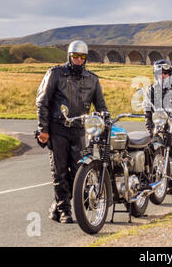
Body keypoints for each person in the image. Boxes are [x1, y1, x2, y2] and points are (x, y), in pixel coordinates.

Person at [36, 40, 108, 223]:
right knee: (59, 171)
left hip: (78, 130)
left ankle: (57, 205)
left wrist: (104, 118)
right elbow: (42, 102)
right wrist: (43, 129)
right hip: (57, 128)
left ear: (86, 58)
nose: (78, 60)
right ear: (69, 56)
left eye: (81, 57)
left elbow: (101, 106)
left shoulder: (92, 79)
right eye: (75, 56)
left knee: (77, 172)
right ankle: (64, 212)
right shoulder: (56, 74)